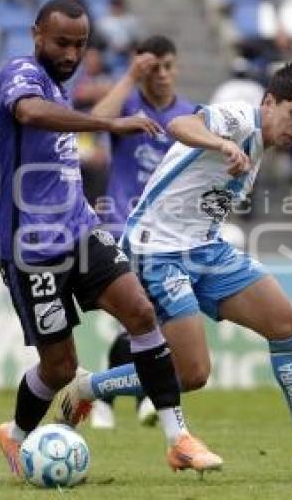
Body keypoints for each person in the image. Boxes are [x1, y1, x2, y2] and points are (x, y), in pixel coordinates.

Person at [54, 64, 292, 471]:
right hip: (158, 250)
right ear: (269, 102)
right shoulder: (238, 118)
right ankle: (86, 387)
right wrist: (222, 145)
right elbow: (181, 124)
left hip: (206, 248)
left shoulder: (261, 146)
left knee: (286, 324)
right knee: (191, 373)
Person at [0, 0, 222, 477]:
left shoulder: (57, 86)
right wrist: (107, 123)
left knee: (141, 312)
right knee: (60, 369)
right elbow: (26, 115)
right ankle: (15, 435)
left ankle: (178, 439)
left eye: (80, 45)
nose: (71, 54)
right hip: (32, 250)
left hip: (82, 229)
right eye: (61, 42)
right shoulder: (20, 74)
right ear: (37, 34)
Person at [87, 35, 196, 430]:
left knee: (150, 322)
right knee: (140, 316)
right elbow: (95, 120)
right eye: (153, 67)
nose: (161, 74)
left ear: (177, 68)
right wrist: (130, 76)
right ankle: (134, 398)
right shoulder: (127, 106)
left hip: (170, 232)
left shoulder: (190, 114)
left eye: (168, 66)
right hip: (124, 225)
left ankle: (108, 396)